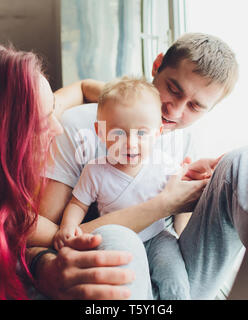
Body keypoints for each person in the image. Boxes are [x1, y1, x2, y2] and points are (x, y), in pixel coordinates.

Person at [0, 44, 203, 299]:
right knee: (118, 241)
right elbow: (61, 236)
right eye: (43, 118)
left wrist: (133, 102)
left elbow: (83, 87)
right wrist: (166, 204)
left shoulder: (5, 193)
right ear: (1, 136)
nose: (57, 128)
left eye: (53, 111)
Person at [34, 32, 248, 299]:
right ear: (156, 65)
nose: (174, 111)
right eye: (173, 89)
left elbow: (183, 233)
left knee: (247, 160)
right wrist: (165, 203)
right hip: (113, 272)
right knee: (118, 236)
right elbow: (48, 235)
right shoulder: (79, 127)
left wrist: (193, 186)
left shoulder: (183, 139)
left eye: (195, 106)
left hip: (169, 268)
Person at [51, 77, 196, 299]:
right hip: (117, 242)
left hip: (158, 238)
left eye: (141, 133)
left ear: (157, 133)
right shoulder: (95, 171)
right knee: (125, 286)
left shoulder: (165, 164)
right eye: (118, 133)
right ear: (100, 132)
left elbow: (182, 198)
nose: (131, 143)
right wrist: (67, 227)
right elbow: (77, 203)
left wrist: (192, 176)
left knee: (175, 282)